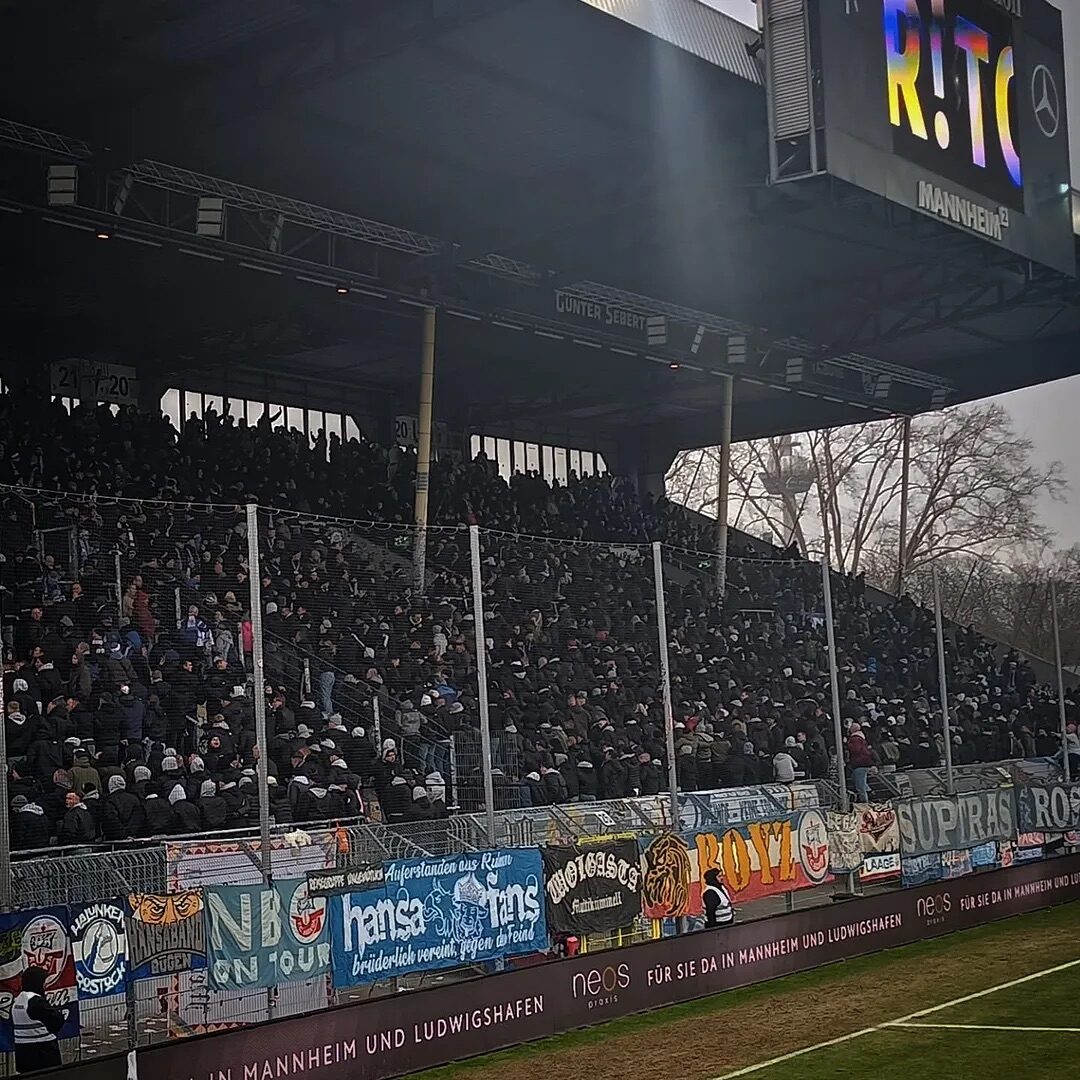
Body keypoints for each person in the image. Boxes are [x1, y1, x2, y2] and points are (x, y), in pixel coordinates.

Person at [13, 965, 67, 1073]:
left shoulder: (18, 1000)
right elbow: (56, 1020)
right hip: (43, 1052)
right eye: (43, 981)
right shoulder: (35, 1001)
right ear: (37, 982)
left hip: (23, 1052)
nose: (45, 985)